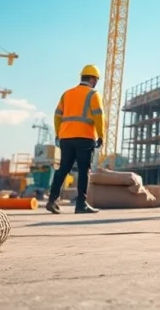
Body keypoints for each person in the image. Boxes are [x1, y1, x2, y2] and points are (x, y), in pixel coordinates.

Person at [46, 64, 106, 214]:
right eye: (96, 80)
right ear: (93, 79)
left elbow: (57, 115)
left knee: (63, 169)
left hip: (66, 138)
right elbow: (99, 116)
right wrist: (101, 135)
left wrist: (58, 133)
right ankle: (81, 205)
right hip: (85, 137)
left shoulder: (67, 94)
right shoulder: (93, 94)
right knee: (84, 171)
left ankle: (52, 200)